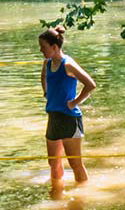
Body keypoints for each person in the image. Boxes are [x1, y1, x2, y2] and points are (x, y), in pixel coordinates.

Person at [40, 26, 96, 198]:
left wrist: (74, 102)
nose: (41, 50)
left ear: (54, 47)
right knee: (53, 163)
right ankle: (57, 196)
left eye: (43, 47)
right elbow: (44, 77)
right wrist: (46, 93)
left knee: (75, 163)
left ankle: (82, 200)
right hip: (53, 117)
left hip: (69, 119)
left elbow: (90, 85)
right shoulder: (47, 63)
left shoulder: (68, 64)